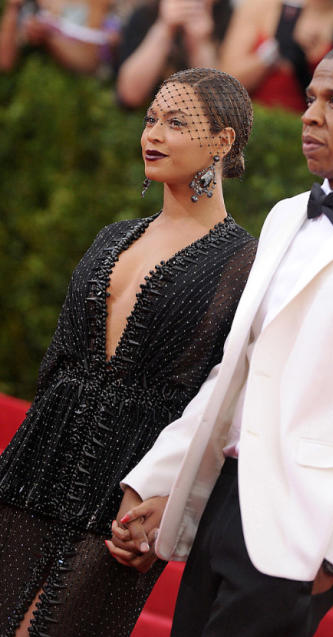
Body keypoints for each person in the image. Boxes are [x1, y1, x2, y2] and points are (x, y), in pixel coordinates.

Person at [108, 40, 333, 637]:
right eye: (310, 99)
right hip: (224, 498)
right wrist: (162, 480)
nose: (310, 115)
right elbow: (237, 370)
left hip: (305, 525)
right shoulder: (283, 216)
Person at [0, 67, 256, 637]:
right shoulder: (113, 237)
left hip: (125, 497)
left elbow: (225, 402)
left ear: (222, 141)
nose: (152, 135)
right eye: (150, 120)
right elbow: (59, 365)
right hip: (32, 471)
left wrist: (173, 499)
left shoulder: (247, 266)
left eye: (175, 122)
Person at [218, 0, 333, 113]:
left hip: (310, 128)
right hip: (257, 121)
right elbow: (228, 82)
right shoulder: (259, 7)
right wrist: (279, 44)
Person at [115, 0, 233, 109]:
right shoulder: (145, 14)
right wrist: (164, 28)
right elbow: (130, 95)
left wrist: (200, 44)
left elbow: (219, 103)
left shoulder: (229, 18)